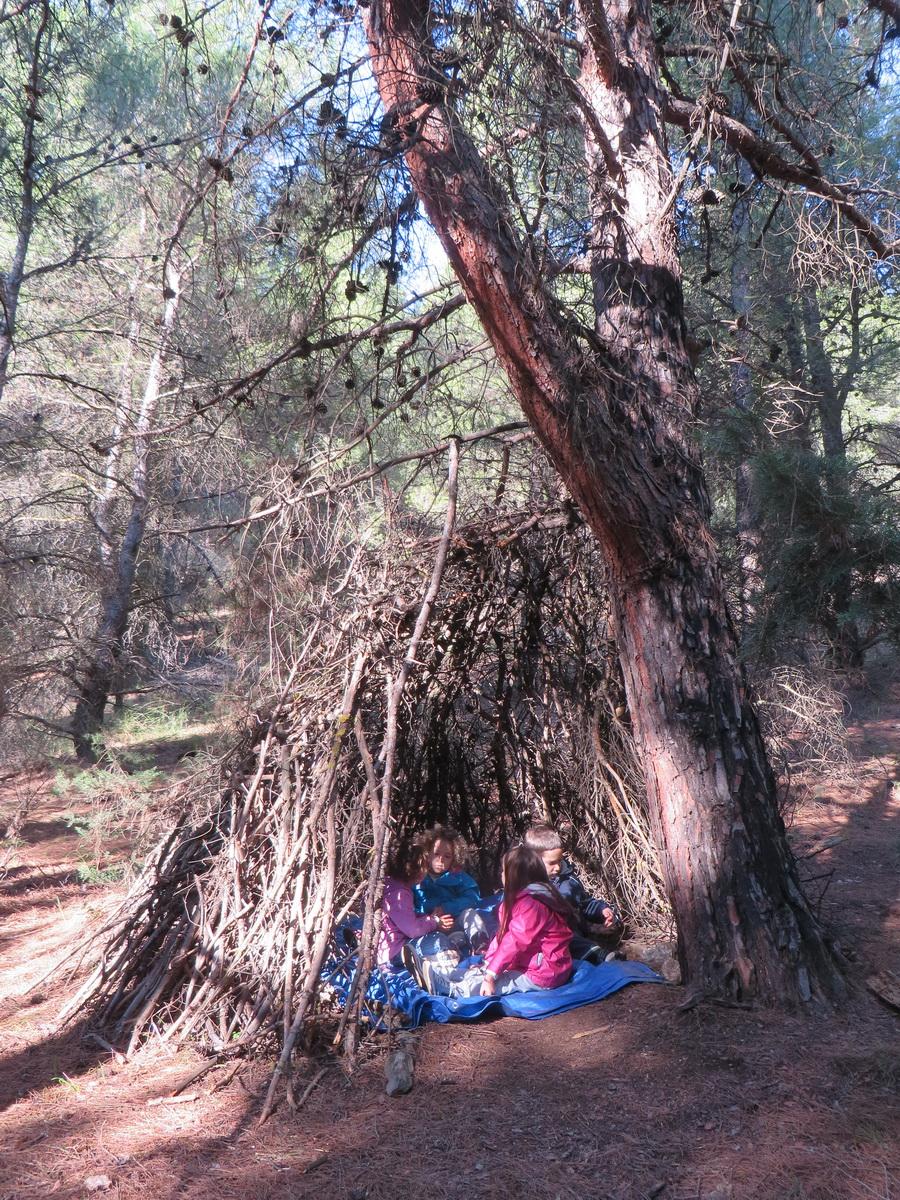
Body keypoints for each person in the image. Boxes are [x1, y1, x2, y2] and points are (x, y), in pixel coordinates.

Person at [413, 844, 575, 997]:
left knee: (499, 982)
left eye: (504, 871)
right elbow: (502, 936)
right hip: (531, 961)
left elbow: (514, 941)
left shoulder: (533, 904)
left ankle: (448, 989)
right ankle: (444, 976)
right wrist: (489, 964)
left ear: (514, 876)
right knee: (486, 972)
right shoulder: (521, 898)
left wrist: (491, 975)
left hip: (545, 971)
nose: (501, 875)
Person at [524, 823, 623, 961]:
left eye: (560, 860)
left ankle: (595, 941)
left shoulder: (568, 881)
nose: (558, 867)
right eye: (552, 863)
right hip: (551, 937)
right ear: (533, 860)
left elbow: (584, 902)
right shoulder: (526, 888)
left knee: (614, 923)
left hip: (575, 928)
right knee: (562, 934)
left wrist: (602, 909)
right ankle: (596, 953)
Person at [377, 835, 455, 969]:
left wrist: (429, 918)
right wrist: (435, 921)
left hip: (383, 946)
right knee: (439, 941)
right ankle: (428, 964)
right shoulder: (399, 894)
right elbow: (412, 929)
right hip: (393, 952)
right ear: (417, 870)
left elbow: (403, 917)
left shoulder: (386, 885)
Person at [414, 824, 490, 951]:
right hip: (429, 928)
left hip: (455, 922)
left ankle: (481, 944)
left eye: (447, 856)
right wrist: (432, 920)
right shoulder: (417, 878)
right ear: (427, 853)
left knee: (470, 914)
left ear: (454, 858)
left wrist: (446, 908)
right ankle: (448, 951)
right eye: (436, 853)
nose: (441, 860)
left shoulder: (457, 876)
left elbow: (472, 897)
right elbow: (409, 908)